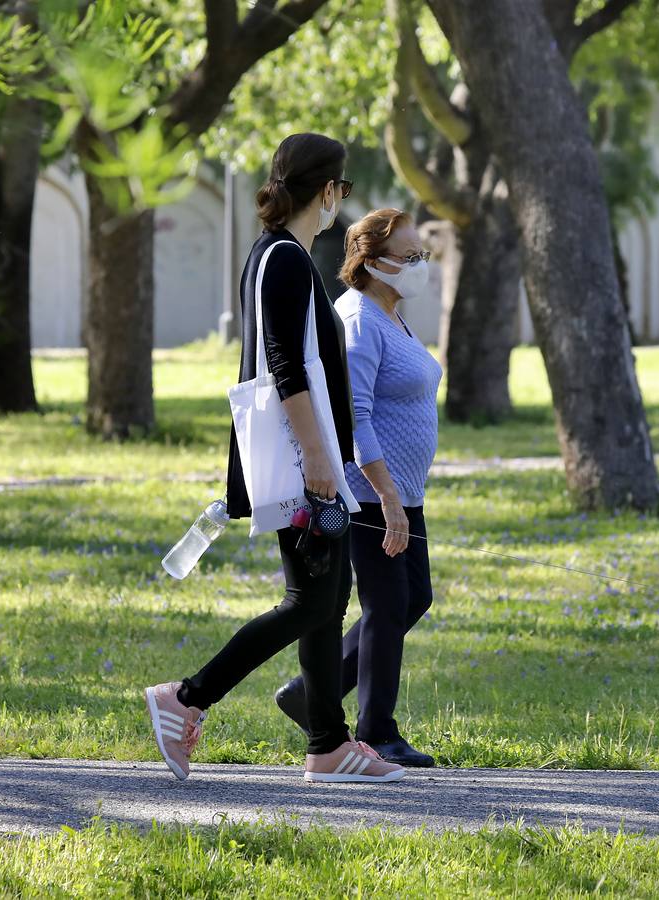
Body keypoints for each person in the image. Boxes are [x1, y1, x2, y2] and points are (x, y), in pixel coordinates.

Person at [142, 134, 404, 785]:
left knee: (324, 595)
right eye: (341, 188)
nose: (341, 199)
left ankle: (327, 746)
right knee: (310, 603)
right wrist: (318, 458)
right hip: (297, 463)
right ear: (327, 190)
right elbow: (284, 366)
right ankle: (186, 698)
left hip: (299, 459)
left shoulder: (275, 254)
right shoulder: (285, 259)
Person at [273, 209, 442, 768]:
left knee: (412, 597)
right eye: (410, 257)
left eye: (422, 255)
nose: (420, 266)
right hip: (370, 493)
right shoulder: (360, 321)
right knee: (388, 603)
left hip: (401, 491)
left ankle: (307, 695)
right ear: (370, 262)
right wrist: (388, 498)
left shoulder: (391, 315)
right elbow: (356, 418)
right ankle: (377, 731)